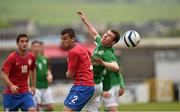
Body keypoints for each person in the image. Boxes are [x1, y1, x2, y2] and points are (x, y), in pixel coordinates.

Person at [77, 11, 121, 111]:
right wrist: (85, 21)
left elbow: (116, 67)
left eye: (109, 36)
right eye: (106, 33)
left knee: (71, 107)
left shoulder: (108, 53)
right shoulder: (101, 43)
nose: (105, 36)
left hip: (93, 85)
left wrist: (102, 63)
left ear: (113, 42)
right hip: (92, 83)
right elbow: (94, 33)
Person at [61, 28, 95, 111]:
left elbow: (70, 74)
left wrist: (67, 73)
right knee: (66, 108)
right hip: (80, 84)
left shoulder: (73, 52)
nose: (62, 41)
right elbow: (90, 56)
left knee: (68, 110)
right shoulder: (81, 47)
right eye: (62, 39)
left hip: (84, 85)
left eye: (65, 39)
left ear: (73, 39)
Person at [1, 34, 36, 111]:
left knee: (32, 110)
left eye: (26, 41)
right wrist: (11, 86)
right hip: (11, 94)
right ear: (17, 44)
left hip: (25, 92)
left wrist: (33, 86)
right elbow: (3, 74)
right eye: (22, 41)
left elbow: (33, 70)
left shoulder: (31, 57)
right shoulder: (12, 58)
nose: (24, 43)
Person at [31, 40, 54, 111]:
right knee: (36, 107)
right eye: (34, 47)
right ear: (31, 48)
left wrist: (50, 75)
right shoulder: (30, 59)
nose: (36, 48)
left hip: (45, 86)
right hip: (35, 87)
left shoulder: (45, 58)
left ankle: (41, 109)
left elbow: (47, 69)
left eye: (38, 46)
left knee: (51, 107)